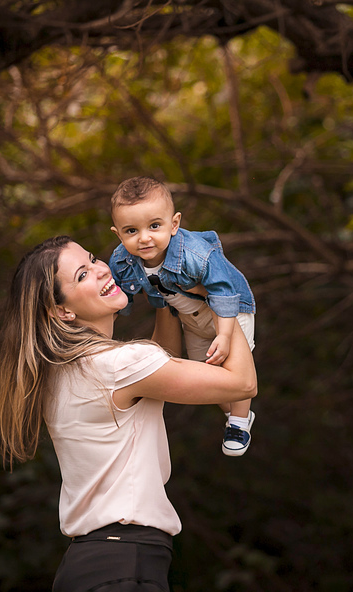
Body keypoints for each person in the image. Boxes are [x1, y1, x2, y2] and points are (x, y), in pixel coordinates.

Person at [0, 235, 257, 592]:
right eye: (82, 275)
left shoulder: (66, 370)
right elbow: (241, 384)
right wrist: (219, 292)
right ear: (62, 310)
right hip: (122, 564)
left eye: (93, 259)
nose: (102, 270)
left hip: (91, 564)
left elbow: (158, 358)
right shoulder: (116, 366)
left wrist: (163, 294)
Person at [108, 176, 259, 456]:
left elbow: (223, 291)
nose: (144, 237)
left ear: (174, 224)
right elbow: (118, 298)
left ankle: (238, 421)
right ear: (118, 234)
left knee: (233, 368)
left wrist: (225, 335)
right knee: (209, 372)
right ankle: (238, 414)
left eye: (155, 226)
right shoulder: (121, 261)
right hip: (189, 315)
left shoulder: (195, 253)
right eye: (131, 230)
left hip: (226, 312)